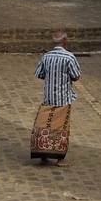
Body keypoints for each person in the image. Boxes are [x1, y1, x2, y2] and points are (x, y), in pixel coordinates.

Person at [31, 31, 81, 167]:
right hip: (63, 99)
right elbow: (76, 76)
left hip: (48, 98)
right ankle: (60, 159)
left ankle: (43, 155)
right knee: (61, 130)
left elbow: (39, 73)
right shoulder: (69, 57)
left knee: (45, 126)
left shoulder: (46, 57)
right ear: (65, 42)